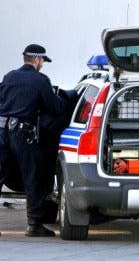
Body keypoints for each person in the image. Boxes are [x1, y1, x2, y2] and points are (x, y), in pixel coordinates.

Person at [0, 44, 68, 237]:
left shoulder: (8, 76)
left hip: (2, 133)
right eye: (43, 62)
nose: (43, 65)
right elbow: (55, 107)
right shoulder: (39, 80)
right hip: (23, 134)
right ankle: (34, 224)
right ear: (37, 60)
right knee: (33, 178)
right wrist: (65, 99)